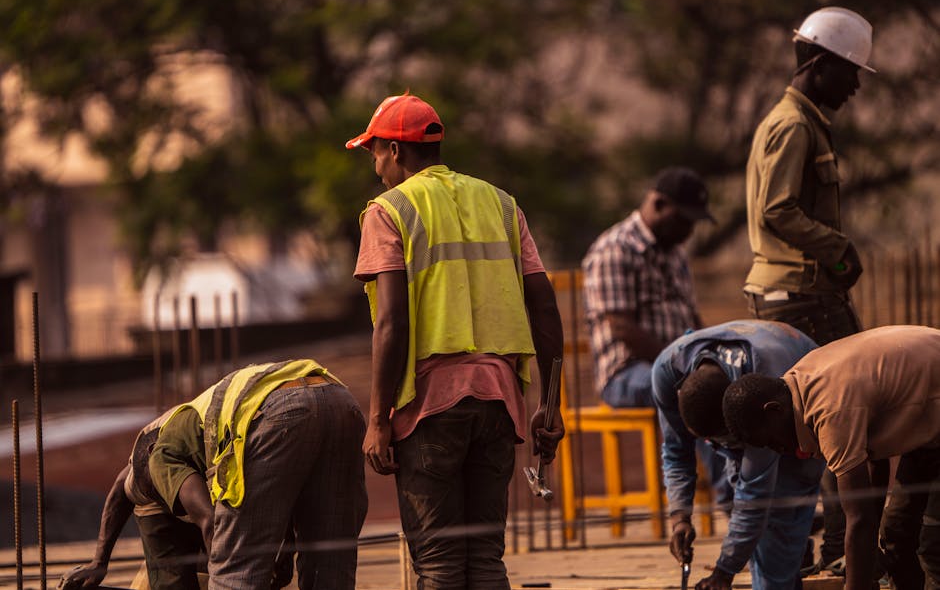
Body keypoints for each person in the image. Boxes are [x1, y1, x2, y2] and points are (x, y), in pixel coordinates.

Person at [348, 92, 565, 590]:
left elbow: (393, 323)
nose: (375, 163)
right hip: (499, 402)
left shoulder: (388, 211)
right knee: (486, 560)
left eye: (375, 150)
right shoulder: (502, 204)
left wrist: (378, 419)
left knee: (440, 565)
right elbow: (546, 308)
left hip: (429, 408)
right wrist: (549, 406)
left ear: (397, 150)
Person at [743, 6, 876, 574]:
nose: (854, 87)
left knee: (815, 429)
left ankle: (822, 552)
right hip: (802, 295)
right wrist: (838, 250)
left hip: (797, 292)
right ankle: (846, 555)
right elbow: (778, 210)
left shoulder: (801, 121)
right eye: (851, 72)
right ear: (821, 64)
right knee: (853, 418)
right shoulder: (795, 125)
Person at [61, 359, 367, 590]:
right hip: (339, 399)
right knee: (330, 565)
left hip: (276, 411)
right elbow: (120, 489)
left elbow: (211, 522)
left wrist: (223, 570)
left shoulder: (157, 457)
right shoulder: (182, 429)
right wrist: (99, 563)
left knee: (234, 574)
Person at [723, 325, 940, 590]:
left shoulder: (829, 411)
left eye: (772, 442)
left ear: (774, 411)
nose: (779, 451)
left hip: (931, 416)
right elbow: (874, 467)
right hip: (926, 425)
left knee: (932, 543)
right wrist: (865, 559)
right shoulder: (800, 378)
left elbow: (859, 519)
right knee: (896, 533)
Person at [652, 319, 824, 590]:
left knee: (778, 522)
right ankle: (792, 558)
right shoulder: (667, 370)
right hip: (761, 390)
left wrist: (723, 572)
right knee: (763, 532)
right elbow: (675, 452)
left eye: (732, 442)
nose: (728, 451)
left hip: (798, 410)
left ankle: (786, 561)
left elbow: (754, 497)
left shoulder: (760, 390)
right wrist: (679, 518)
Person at [582, 166, 713, 408]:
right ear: (659, 204)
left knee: (721, 385)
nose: (689, 231)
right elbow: (622, 328)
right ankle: (678, 448)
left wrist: (710, 356)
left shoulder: (677, 254)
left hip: (679, 366)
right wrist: (678, 364)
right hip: (625, 373)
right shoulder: (616, 248)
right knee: (696, 393)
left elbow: (693, 318)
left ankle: (718, 446)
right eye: (683, 220)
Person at [57, 412, 210, 590]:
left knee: (215, 566)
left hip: (197, 473)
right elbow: (120, 489)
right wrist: (99, 563)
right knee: (176, 581)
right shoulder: (145, 476)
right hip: (156, 484)